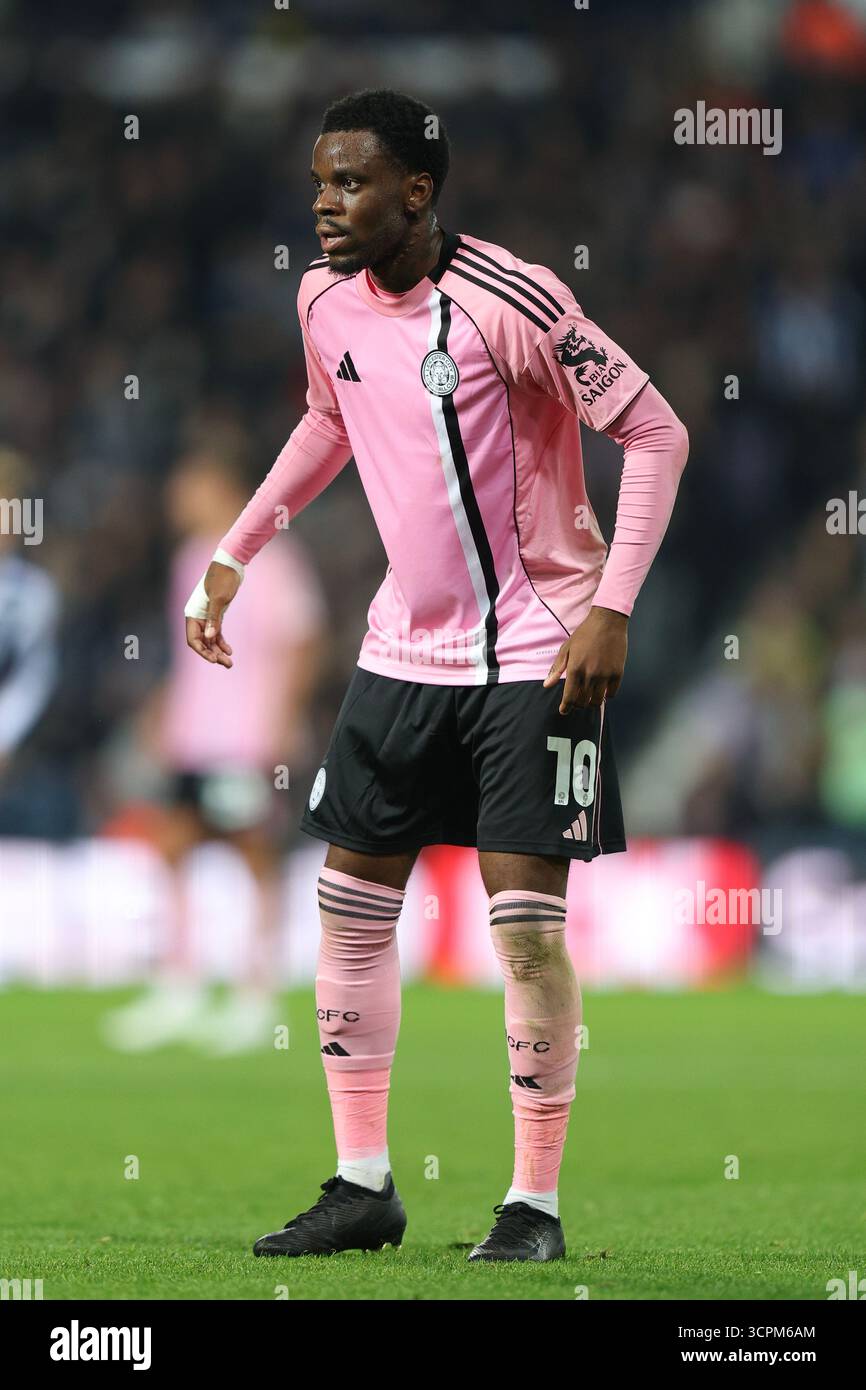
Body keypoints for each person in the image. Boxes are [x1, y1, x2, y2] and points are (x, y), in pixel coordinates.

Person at [183, 89, 688, 1260]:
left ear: (416, 191)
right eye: (318, 181)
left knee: (521, 931)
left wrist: (610, 603)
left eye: (350, 182)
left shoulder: (513, 301)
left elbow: (655, 429)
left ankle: (532, 1204)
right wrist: (233, 552)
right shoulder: (321, 301)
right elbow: (328, 419)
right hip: (399, 650)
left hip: (534, 650)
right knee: (349, 909)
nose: (323, 204)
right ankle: (362, 1183)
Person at [104, 440, 325, 1055]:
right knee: (172, 845)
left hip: (245, 740)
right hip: (193, 739)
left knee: (252, 855)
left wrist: (282, 722)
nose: (178, 499)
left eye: (190, 487)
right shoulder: (188, 560)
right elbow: (190, 653)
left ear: (224, 490)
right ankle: (180, 985)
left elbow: (303, 641)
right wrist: (165, 712)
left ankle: (256, 995)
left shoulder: (273, 558)